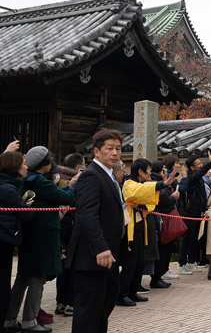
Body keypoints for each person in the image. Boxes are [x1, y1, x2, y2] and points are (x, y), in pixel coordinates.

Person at [5, 147, 76, 333]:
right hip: (44, 234)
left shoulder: (24, 180)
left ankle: (10, 319)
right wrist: (75, 184)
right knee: (38, 277)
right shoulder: (42, 182)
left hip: (28, 234)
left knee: (22, 278)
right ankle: (29, 320)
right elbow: (67, 197)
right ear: (45, 163)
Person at [67, 129, 124, 333]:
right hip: (92, 257)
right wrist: (100, 247)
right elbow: (87, 215)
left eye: (118, 148)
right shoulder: (91, 176)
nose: (115, 153)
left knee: (102, 309)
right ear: (97, 152)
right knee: (88, 314)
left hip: (108, 256)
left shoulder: (108, 175)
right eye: (110, 148)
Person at [117, 159, 178, 306]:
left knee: (139, 262)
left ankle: (132, 291)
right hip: (130, 227)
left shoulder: (140, 184)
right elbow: (141, 193)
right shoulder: (129, 183)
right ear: (140, 171)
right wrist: (163, 183)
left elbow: (149, 202)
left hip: (140, 226)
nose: (150, 173)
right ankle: (121, 294)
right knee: (130, 263)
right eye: (148, 170)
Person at [0, 152, 33, 331]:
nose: (26, 167)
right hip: (3, 241)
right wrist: (30, 205)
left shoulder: (7, 185)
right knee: (3, 287)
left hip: (5, 239)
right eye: (23, 164)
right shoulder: (8, 189)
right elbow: (26, 214)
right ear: (14, 167)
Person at [55, 153, 85, 319]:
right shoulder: (74, 181)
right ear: (77, 167)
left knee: (64, 265)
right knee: (72, 264)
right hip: (70, 225)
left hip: (60, 226)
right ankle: (70, 303)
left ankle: (61, 302)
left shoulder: (58, 178)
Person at [178, 152, 211, 275]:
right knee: (187, 238)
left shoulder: (199, 180)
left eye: (201, 163)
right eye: (198, 164)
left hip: (198, 212)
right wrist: (210, 163)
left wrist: (204, 209)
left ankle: (192, 261)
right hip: (189, 212)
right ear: (192, 168)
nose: (200, 165)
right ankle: (182, 263)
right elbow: (200, 173)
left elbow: (202, 195)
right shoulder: (191, 178)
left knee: (195, 238)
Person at [149, 160, 181, 289]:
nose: (165, 171)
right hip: (162, 220)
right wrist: (174, 197)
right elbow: (163, 200)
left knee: (166, 250)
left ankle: (159, 276)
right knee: (162, 250)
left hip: (165, 219)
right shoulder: (155, 182)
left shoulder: (162, 180)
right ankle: (156, 277)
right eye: (163, 169)